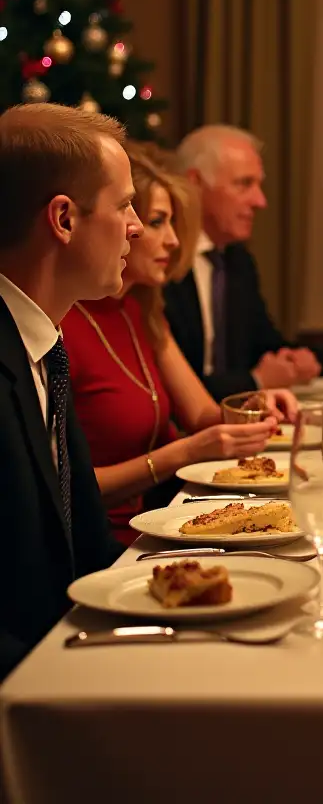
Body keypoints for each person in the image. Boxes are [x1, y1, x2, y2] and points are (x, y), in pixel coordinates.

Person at [62, 142, 297, 545]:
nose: (172, 241)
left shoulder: (140, 311)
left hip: (158, 525)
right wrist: (184, 453)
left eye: (171, 224)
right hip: (102, 544)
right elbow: (64, 489)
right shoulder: (64, 323)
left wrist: (253, 405)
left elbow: (204, 415)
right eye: (157, 222)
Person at [0, 104, 142, 678]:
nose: (136, 225)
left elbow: (85, 547)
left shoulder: (46, 346)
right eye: (125, 204)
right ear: (63, 219)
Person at [163, 125, 323, 400]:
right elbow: (167, 389)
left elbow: (266, 347)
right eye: (244, 184)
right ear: (195, 184)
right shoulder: (162, 259)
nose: (260, 201)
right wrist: (256, 380)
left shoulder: (237, 260)